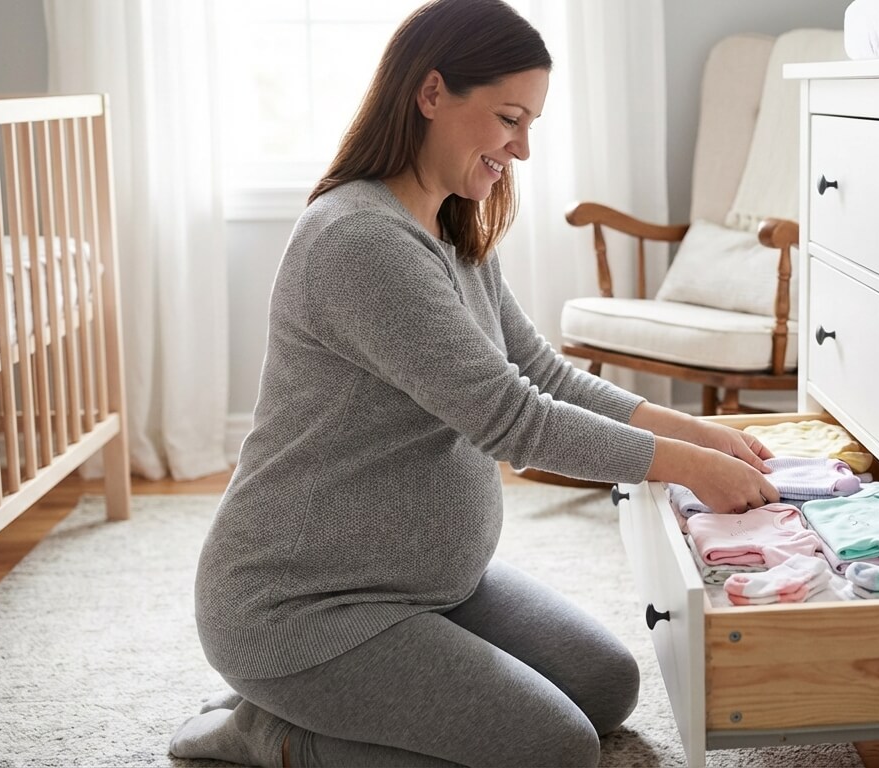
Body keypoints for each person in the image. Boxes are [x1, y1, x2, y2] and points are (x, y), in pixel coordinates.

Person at [168, 1, 779, 766]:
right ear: (431, 94)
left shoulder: (452, 225)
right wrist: (690, 468)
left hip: (428, 583)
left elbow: (542, 373)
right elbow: (516, 422)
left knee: (606, 686)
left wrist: (696, 430)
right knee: (555, 751)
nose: (521, 149)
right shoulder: (359, 242)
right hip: (305, 607)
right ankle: (271, 731)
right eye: (509, 119)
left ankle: (344, 695)